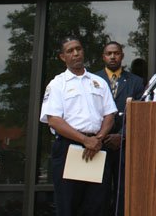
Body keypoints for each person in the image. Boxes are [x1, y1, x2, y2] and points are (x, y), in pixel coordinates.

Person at [40, 37, 117, 216]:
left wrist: (96, 140)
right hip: (70, 147)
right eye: (70, 51)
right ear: (62, 57)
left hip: (97, 147)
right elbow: (54, 120)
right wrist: (84, 140)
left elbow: (110, 115)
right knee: (69, 205)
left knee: (97, 204)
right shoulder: (57, 84)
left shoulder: (99, 82)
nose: (76, 53)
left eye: (78, 49)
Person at [93, 41, 144, 216]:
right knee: (99, 193)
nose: (113, 56)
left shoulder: (136, 81)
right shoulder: (93, 80)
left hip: (124, 145)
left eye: (116, 53)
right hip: (98, 144)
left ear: (122, 55)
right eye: (109, 53)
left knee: (123, 191)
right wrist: (100, 136)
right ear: (103, 56)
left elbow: (139, 114)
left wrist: (122, 136)